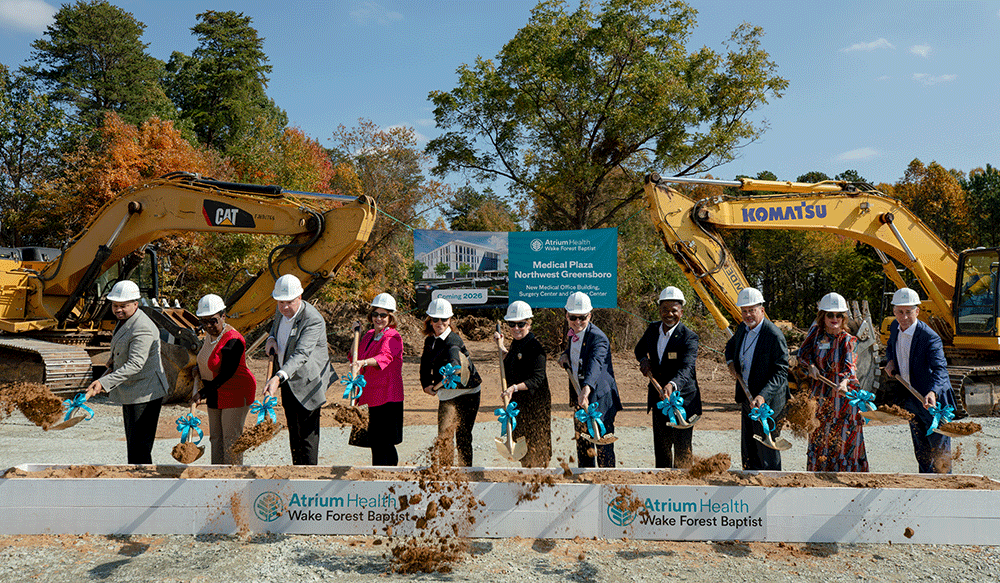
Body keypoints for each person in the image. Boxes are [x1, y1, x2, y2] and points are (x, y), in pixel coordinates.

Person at [85, 280, 169, 464]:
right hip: (133, 389)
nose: (118, 310)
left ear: (135, 304)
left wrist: (102, 383)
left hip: (146, 392)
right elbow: (124, 348)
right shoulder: (126, 321)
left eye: (123, 306)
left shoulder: (142, 327)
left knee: (140, 446)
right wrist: (114, 360)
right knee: (134, 442)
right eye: (115, 306)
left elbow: (135, 364)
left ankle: (142, 483)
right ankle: (135, 478)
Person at [263, 274, 334, 465]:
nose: (284, 307)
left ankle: (309, 481)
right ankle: (297, 473)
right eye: (280, 302)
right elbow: (274, 330)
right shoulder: (281, 312)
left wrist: (277, 378)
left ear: (300, 298)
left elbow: (301, 354)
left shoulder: (313, 320)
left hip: (308, 382)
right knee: (294, 433)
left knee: (307, 437)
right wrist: (270, 339)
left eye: (289, 302)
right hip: (287, 381)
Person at [883, 287, 956, 473]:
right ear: (894, 311)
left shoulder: (930, 338)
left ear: (917, 311)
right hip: (912, 398)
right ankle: (924, 484)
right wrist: (890, 361)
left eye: (909, 312)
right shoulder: (894, 327)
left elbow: (941, 369)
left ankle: (944, 488)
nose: (904, 316)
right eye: (900, 311)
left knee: (939, 450)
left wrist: (932, 392)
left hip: (933, 401)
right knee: (921, 450)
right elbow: (891, 346)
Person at [797, 292, 868, 472]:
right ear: (823, 316)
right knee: (821, 432)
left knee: (845, 436)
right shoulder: (815, 334)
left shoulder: (848, 340)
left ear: (843, 317)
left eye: (838, 315)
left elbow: (850, 365)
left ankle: (847, 476)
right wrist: (811, 366)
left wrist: (844, 382)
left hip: (843, 396)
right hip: (821, 393)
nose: (834, 318)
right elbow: (802, 355)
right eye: (830, 314)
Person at [634, 286, 702, 469]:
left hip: (683, 402)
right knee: (662, 449)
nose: (669, 314)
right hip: (659, 400)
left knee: (682, 450)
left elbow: (687, 368)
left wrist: (672, 384)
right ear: (659, 310)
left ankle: (685, 488)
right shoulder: (653, 329)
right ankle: (662, 486)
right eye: (665, 309)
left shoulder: (689, 338)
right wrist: (644, 361)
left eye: (674, 310)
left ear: (681, 311)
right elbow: (639, 349)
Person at [724, 287, 789, 471]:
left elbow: (781, 371)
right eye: (744, 311)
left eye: (752, 310)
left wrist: (763, 396)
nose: (747, 315)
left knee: (766, 446)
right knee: (749, 445)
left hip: (767, 404)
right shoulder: (743, 329)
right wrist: (730, 362)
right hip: (747, 396)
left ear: (762, 310)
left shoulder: (773, 335)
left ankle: (770, 483)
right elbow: (730, 346)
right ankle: (750, 482)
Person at [558, 291, 622, 468]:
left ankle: (607, 483)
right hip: (580, 395)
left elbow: (596, 364)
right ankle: (584, 480)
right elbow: (576, 353)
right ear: (567, 315)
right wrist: (565, 355)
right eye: (573, 317)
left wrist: (586, 388)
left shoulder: (598, 337)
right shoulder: (572, 332)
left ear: (590, 315)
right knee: (583, 443)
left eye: (582, 317)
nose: (577, 322)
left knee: (603, 446)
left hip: (599, 399)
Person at [192, 294, 256, 465]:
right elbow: (210, 360)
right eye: (204, 321)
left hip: (235, 390)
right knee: (216, 437)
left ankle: (233, 479)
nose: (208, 326)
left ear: (223, 316)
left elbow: (227, 373)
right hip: (215, 391)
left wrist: (202, 393)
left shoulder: (233, 340)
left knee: (231, 439)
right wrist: (200, 368)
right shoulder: (210, 335)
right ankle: (217, 477)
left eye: (212, 320)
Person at [420, 298, 482, 467]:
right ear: (430, 321)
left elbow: (454, 357)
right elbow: (425, 364)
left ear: (450, 320)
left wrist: (453, 366)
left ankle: (465, 473)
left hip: (468, 393)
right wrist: (426, 383)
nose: (440, 323)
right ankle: (446, 473)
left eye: (444, 319)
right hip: (447, 393)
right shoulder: (430, 341)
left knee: (463, 435)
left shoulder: (453, 340)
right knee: (444, 436)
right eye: (435, 319)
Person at [494, 300, 552, 468]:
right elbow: (513, 362)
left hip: (535, 404)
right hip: (519, 403)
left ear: (529, 324)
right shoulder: (517, 343)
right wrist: (502, 348)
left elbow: (537, 378)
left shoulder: (535, 348)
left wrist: (513, 388)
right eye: (512, 324)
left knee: (537, 445)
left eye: (521, 324)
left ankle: (540, 480)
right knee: (523, 446)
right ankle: (527, 480)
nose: (516, 328)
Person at [349, 292, 404, 466]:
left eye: (383, 315)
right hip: (371, 395)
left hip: (388, 396)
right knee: (374, 441)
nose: (378, 318)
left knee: (385, 442)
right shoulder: (369, 334)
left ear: (391, 317)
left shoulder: (393, 336)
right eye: (375, 314)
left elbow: (384, 357)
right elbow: (353, 355)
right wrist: (355, 334)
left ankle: (389, 476)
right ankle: (377, 474)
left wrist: (363, 362)